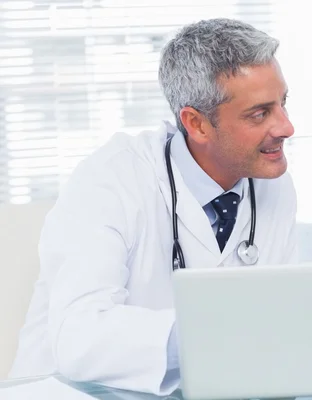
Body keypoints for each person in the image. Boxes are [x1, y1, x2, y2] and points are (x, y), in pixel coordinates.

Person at [9, 18, 297, 395]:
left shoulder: (271, 183)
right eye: (259, 114)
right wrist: (213, 333)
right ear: (196, 124)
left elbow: (275, 322)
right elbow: (79, 339)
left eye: (283, 104)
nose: (286, 127)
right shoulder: (113, 178)